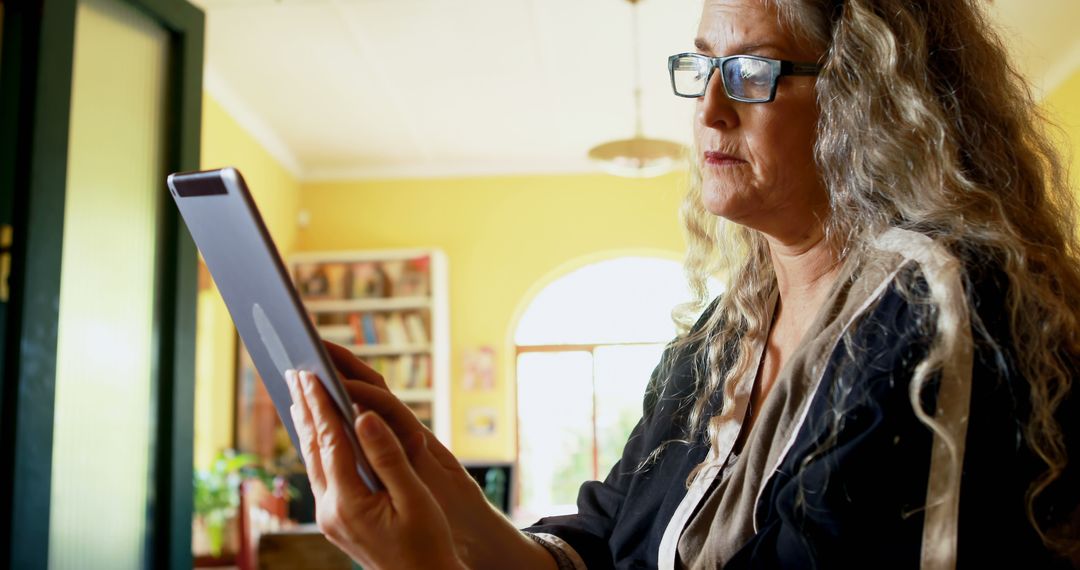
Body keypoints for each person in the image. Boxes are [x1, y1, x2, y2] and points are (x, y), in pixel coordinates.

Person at [285, 0, 1080, 568]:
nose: (708, 109)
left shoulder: (944, 308)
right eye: (702, 65)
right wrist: (433, 480)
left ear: (866, 96)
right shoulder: (715, 343)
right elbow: (601, 548)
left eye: (753, 70)